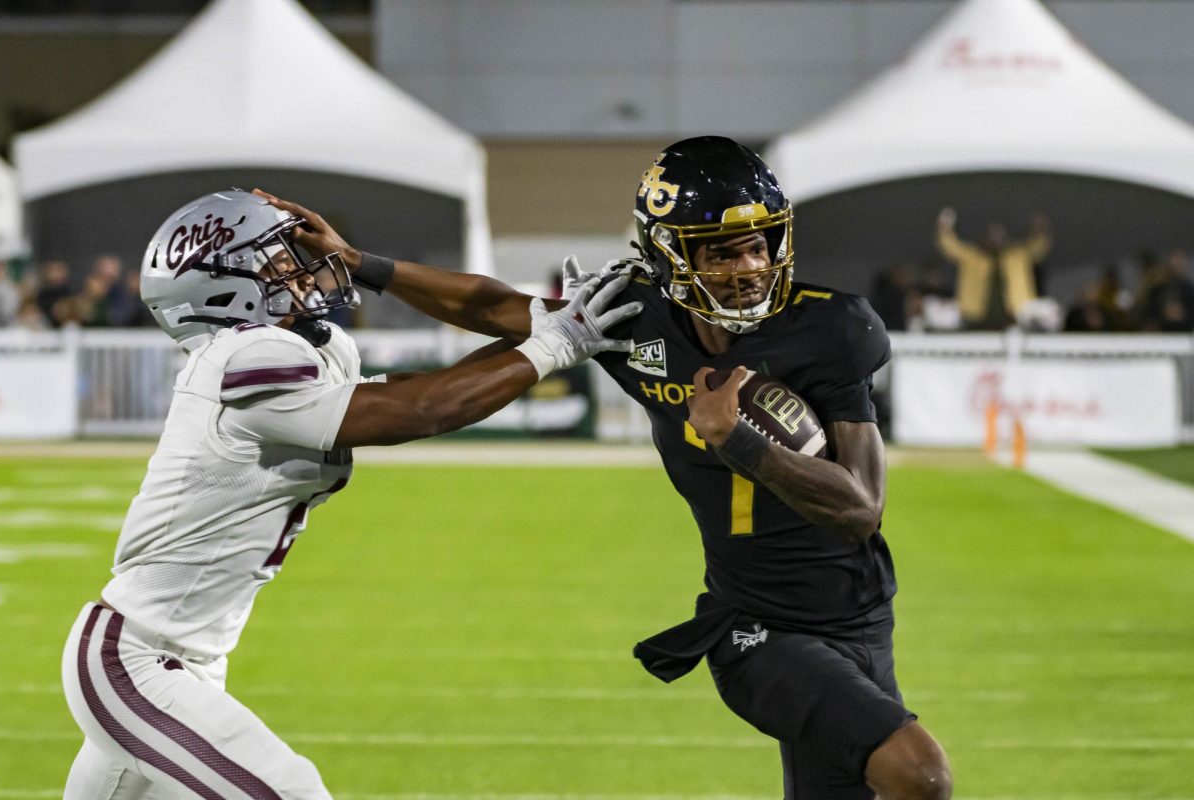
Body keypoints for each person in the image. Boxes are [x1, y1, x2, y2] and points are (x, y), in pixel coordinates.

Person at [263, 136, 952, 800]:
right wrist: (358, 262)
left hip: (862, 619)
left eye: (755, 244)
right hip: (756, 630)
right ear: (665, 256)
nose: (744, 268)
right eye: (717, 253)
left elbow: (860, 508)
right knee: (918, 774)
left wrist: (736, 440)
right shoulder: (635, 319)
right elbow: (493, 307)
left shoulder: (833, 328)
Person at [60, 189, 639, 798]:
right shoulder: (242, 356)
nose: (301, 268)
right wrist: (555, 343)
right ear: (220, 288)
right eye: (275, 261)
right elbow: (421, 411)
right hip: (136, 660)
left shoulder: (298, 352)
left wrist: (548, 328)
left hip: (182, 661)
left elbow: (431, 386)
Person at [935, 207, 1051, 330]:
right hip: (976, 314)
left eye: (998, 234)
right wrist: (944, 228)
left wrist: (1041, 229)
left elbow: (1038, 248)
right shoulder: (972, 256)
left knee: (1048, 310)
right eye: (992, 234)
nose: (995, 238)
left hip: (1013, 313)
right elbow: (951, 247)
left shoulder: (1017, 255)